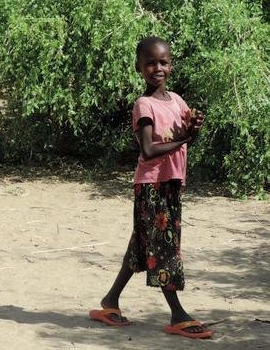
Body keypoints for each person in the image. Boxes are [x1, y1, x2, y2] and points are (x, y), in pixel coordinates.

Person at [89, 36, 212, 339]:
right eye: (151, 63)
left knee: (142, 247)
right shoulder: (144, 105)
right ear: (139, 67)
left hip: (170, 184)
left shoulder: (177, 101)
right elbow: (147, 150)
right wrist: (185, 139)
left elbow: (185, 136)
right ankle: (178, 314)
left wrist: (193, 128)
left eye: (163, 62)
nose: (158, 68)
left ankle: (109, 302)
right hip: (152, 186)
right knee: (164, 247)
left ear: (171, 64)